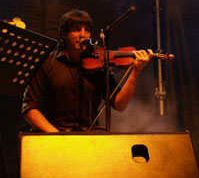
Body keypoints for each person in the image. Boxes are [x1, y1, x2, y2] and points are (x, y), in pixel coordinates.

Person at [22, 9, 153, 132]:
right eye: (76, 30)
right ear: (64, 34)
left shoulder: (99, 64)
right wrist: (57, 136)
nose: (83, 35)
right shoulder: (46, 63)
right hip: (53, 136)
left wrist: (136, 71)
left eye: (87, 30)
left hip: (89, 137)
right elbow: (29, 108)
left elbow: (119, 104)